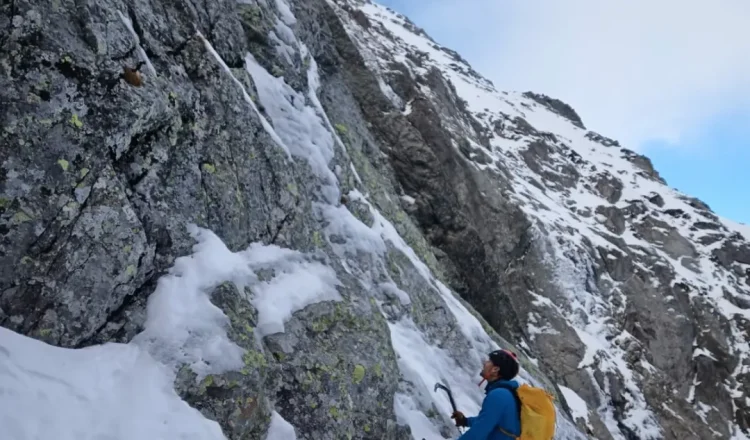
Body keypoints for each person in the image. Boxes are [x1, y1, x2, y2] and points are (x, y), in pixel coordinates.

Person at [451, 349, 522, 440]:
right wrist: (466, 421)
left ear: (495, 369)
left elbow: (476, 434)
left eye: (489, 361)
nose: (485, 363)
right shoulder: (507, 394)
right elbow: (488, 420)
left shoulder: (499, 395)